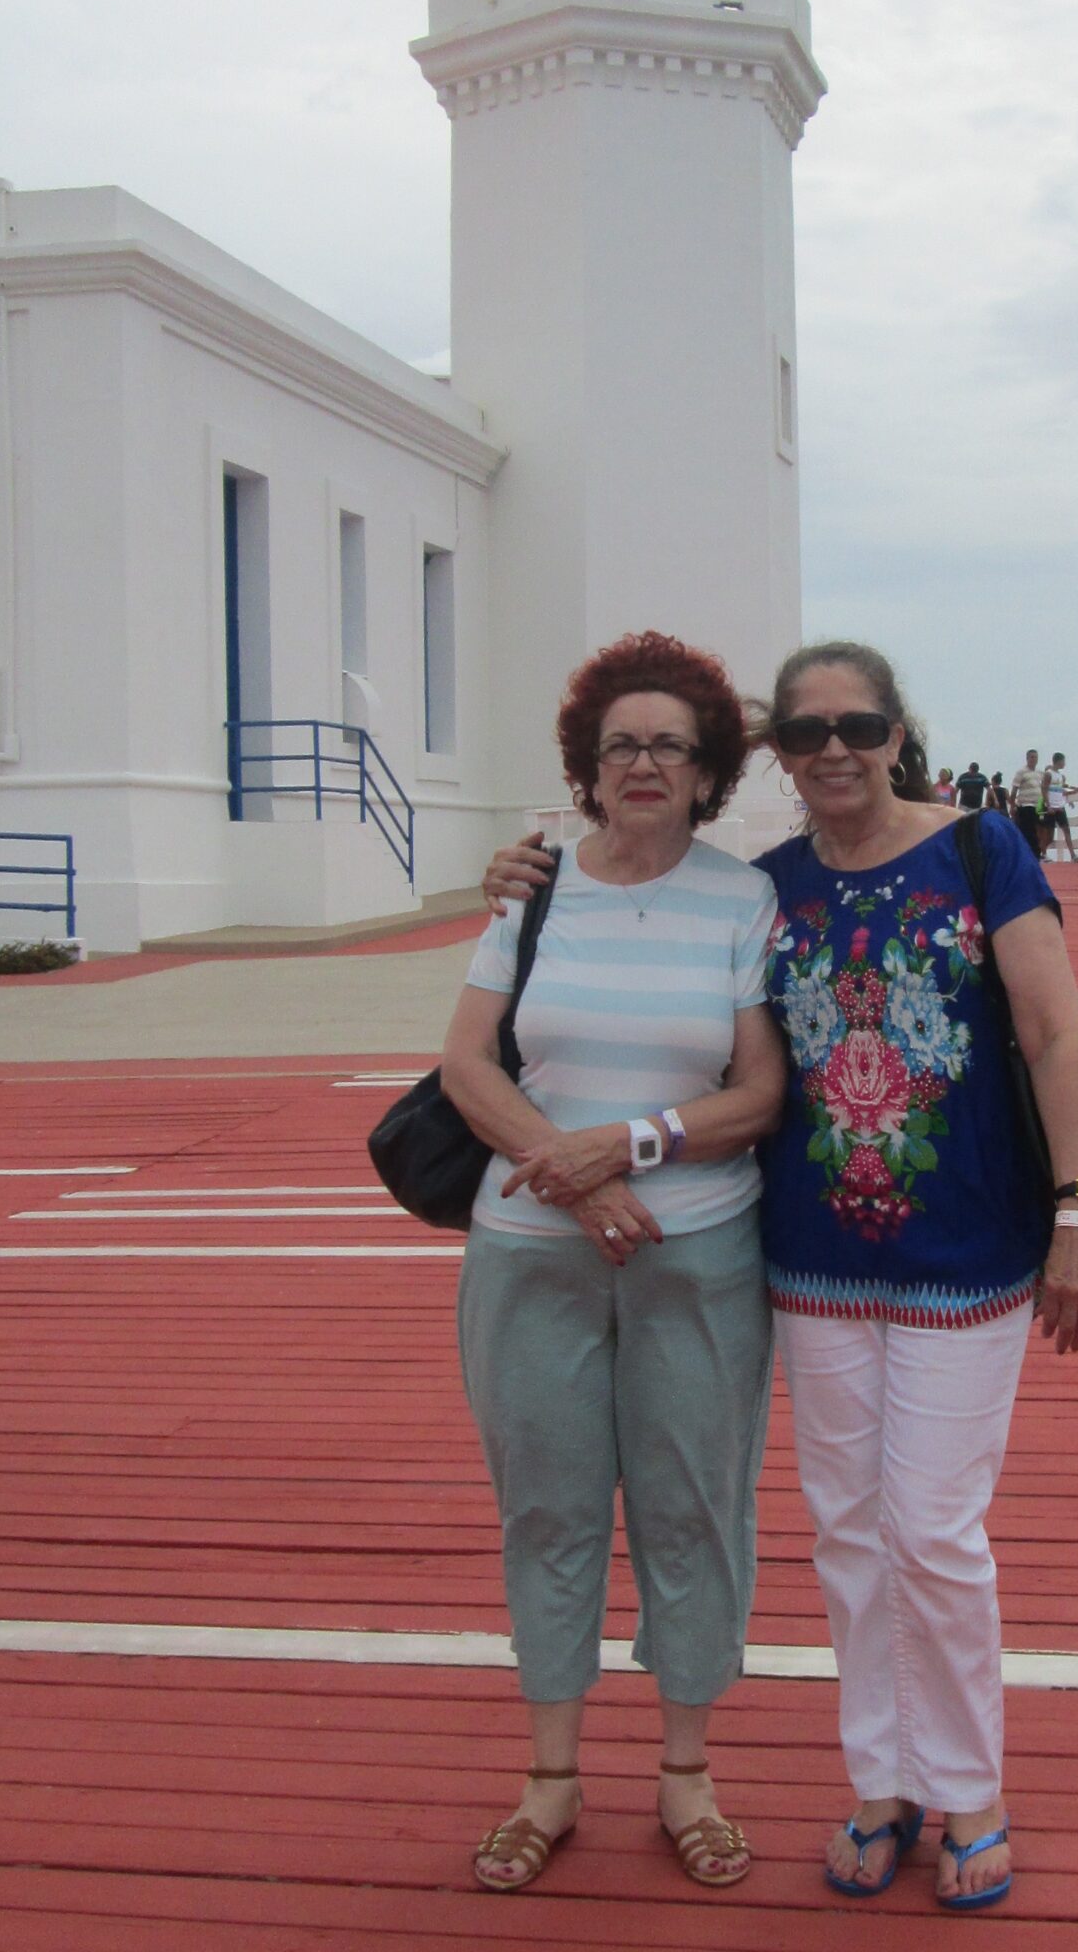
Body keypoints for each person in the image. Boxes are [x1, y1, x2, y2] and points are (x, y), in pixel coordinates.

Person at [486, 639, 1078, 1910]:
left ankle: (970, 1789)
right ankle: (881, 1782)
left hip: (969, 1250)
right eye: (806, 730)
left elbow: (1052, 1030)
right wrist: (512, 873)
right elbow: (641, 926)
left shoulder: (984, 851)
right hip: (815, 1257)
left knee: (932, 1527)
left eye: (860, 724)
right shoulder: (769, 887)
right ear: (773, 753)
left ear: (899, 732)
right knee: (845, 1533)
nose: (834, 748)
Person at [440, 631, 788, 1894]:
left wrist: (631, 1146)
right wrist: (571, 1174)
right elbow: (469, 1063)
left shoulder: (741, 898)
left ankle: (687, 1770)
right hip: (531, 1250)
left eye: (671, 747)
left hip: (699, 1253)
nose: (644, 764)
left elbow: (760, 1092)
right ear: (589, 765)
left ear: (708, 772)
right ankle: (550, 1775)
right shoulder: (532, 890)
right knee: (548, 1506)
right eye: (621, 745)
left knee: (697, 1502)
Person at [1008, 749, 1046, 855]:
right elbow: (1014, 789)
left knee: (1041, 828)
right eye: (1032, 757)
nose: (1034, 759)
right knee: (1028, 830)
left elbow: (1043, 788)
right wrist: (1012, 805)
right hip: (1026, 804)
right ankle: (1033, 852)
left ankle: (1040, 851)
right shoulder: (1021, 772)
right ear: (1027, 758)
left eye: (1036, 757)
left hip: (1038, 804)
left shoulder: (1040, 773)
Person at [1039, 753, 1076, 861]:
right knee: (1048, 834)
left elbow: (1061, 791)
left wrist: (1070, 796)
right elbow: (1044, 789)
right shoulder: (1048, 774)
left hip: (1060, 806)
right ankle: (1042, 853)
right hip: (1051, 807)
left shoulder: (1060, 776)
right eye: (1063, 761)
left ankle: (1073, 855)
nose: (1064, 764)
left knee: (1066, 830)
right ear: (1058, 761)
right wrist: (1048, 805)